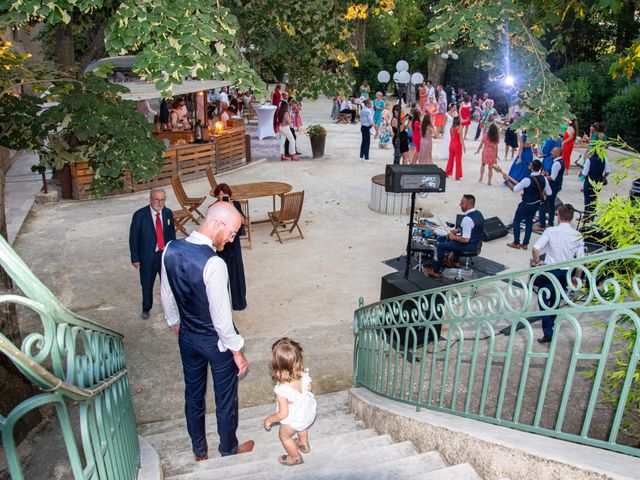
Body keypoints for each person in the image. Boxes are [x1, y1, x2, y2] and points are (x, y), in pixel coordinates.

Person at [160, 202, 253, 461]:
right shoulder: (214, 263)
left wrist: (176, 325)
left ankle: (199, 450)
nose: (233, 239)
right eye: (232, 232)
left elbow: (167, 296)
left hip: (188, 337)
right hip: (216, 343)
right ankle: (228, 448)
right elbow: (222, 320)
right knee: (225, 399)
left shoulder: (170, 249)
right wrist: (237, 351)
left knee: (193, 394)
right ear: (217, 224)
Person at [531, 204, 585, 343]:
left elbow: (536, 249)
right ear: (571, 218)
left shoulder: (551, 231)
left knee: (544, 299)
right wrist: (576, 277)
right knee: (556, 299)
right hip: (566, 272)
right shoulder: (577, 235)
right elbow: (581, 259)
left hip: (550, 270)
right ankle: (550, 325)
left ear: (558, 216)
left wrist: (537, 262)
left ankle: (548, 330)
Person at [263, 337, 317, 466]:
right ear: (298, 360)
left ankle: (295, 458)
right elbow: (309, 388)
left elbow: (283, 414)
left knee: (285, 436)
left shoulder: (282, 390)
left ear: (276, 365)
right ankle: (304, 444)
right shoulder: (303, 374)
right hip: (308, 413)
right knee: (302, 425)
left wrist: (270, 419)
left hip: (294, 419)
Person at [129, 188, 176, 320]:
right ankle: (146, 308)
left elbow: (171, 234)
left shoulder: (167, 213)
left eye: (162, 200)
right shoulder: (139, 215)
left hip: (164, 256)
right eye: (157, 199)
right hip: (147, 257)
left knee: (167, 284)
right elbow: (133, 238)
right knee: (147, 284)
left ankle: (170, 309)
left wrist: (173, 254)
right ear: (150, 199)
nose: (159, 203)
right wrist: (135, 258)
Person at [424, 194, 484, 278]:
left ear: (469, 205)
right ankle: (455, 261)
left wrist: (453, 237)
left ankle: (435, 271)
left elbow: (466, 240)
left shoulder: (467, 219)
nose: (460, 205)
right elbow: (474, 227)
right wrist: (458, 230)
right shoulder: (478, 214)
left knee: (441, 246)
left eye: (462, 203)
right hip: (478, 244)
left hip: (469, 246)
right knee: (453, 241)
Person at [503, 159, 552, 250]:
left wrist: (507, 180)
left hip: (526, 204)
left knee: (516, 221)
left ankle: (516, 242)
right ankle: (525, 244)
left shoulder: (527, 180)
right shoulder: (544, 179)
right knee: (529, 223)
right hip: (536, 204)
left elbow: (514, 189)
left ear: (531, 167)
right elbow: (549, 193)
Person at [213, 184, 247, 311]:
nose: (223, 196)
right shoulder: (213, 207)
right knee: (222, 275)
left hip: (234, 243)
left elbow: (243, 221)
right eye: (220, 194)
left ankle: (239, 303)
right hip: (221, 244)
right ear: (217, 196)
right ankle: (223, 304)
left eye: (225, 194)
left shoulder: (235, 205)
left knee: (236, 272)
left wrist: (232, 208)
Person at [581, 124, 611, 221]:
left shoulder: (590, 159)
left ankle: (586, 216)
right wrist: (603, 176)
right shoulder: (604, 159)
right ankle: (591, 217)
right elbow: (608, 171)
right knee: (594, 200)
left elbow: (584, 174)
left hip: (589, 182)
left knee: (587, 200)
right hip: (597, 182)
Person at [535, 146, 564, 232]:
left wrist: (542, 176)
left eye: (554, 151)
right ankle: (550, 223)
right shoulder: (561, 161)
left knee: (543, 204)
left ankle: (542, 225)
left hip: (552, 187)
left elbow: (552, 177)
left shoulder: (556, 163)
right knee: (551, 205)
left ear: (558, 153)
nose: (551, 152)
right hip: (557, 185)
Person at [445, 116, 465, 180]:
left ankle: (447, 172)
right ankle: (457, 176)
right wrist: (464, 146)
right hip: (457, 145)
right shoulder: (459, 128)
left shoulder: (451, 128)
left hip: (451, 144)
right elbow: (461, 139)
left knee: (450, 159)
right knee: (458, 160)